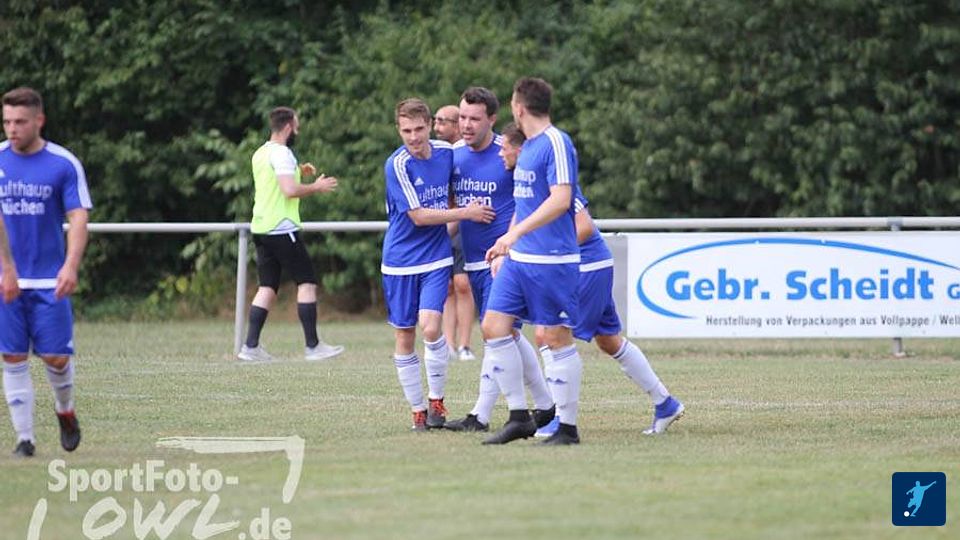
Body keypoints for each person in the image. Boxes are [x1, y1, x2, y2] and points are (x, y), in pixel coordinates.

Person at [481, 77, 584, 446]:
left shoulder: (556, 142)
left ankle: (567, 428)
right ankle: (519, 416)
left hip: (552, 260)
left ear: (519, 107)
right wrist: (507, 243)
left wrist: (514, 234)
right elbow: (525, 203)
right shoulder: (528, 147)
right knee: (494, 327)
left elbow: (561, 199)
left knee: (555, 337)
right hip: (520, 259)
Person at [382, 98, 494, 431]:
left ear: (430, 125)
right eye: (406, 131)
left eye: (418, 129)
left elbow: (461, 183)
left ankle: (436, 401)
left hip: (435, 256)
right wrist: (466, 213)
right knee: (405, 335)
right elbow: (418, 216)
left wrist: (458, 222)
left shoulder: (446, 152)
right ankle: (417, 410)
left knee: (431, 327)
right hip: (400, 261)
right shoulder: (397, 164)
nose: (413, 137)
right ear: (398, 130)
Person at [443, 112, 554, 433]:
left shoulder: (525, 160)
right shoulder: (455, 155)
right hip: (476, 261)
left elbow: (533, 208)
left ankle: (490, 414)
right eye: (462, 117)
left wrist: (508, 245)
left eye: (474, 118)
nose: (466, 124)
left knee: (499, 332)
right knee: (508, 335)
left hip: (504, 261)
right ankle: (546, 405)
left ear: (491, 119)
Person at [0, 86, 89, 457]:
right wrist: (6, 268)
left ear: (39, 120)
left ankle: (65, 410)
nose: (12, 129)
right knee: (12, 356)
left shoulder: (62, 164)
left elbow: (78, 216)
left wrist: (70, 265)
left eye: (20, 122)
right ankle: (25, 439)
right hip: (7, 279)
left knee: (55, 357)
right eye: (7, 121)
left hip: (49, 279)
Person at [238, 107, 344, 363]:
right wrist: (316, 186)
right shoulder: (283, 153)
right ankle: (313, 346)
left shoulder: (261, 153)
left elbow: (277, 181)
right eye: (296, 126)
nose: (297, 131)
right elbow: (288, 190)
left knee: (267, 287)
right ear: (287, 127)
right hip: (282, 228)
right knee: (306, 282)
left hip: (262, 228)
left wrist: (299, 170)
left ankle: (250, 347)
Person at [434, 105, 477, 362]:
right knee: (447, 286)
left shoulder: (465, 154)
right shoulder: (438, 155)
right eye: (435, 121)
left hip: (463, 224)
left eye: (443, 122)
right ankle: (448, 345)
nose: (437, 127)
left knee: (462, 284)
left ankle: (465, 345)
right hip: (444, 223)